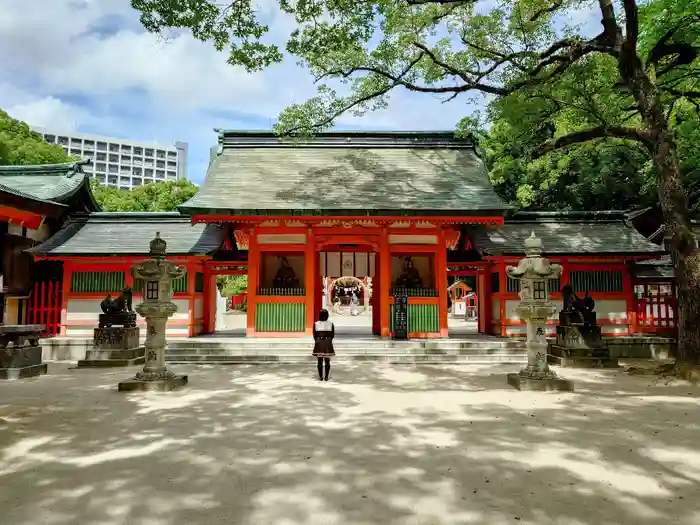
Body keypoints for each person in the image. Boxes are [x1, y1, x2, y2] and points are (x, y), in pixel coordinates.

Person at [312, 309, 335, 381]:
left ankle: (320, 377)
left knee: (319, 361)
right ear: (327, 315)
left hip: (319, 341)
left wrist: (318, 340)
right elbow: (332, 335)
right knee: (327, 360)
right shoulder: (331, 324)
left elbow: (314, 335)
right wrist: (328, 340)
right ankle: (326, 377)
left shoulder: (316, 324)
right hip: (328, 342)